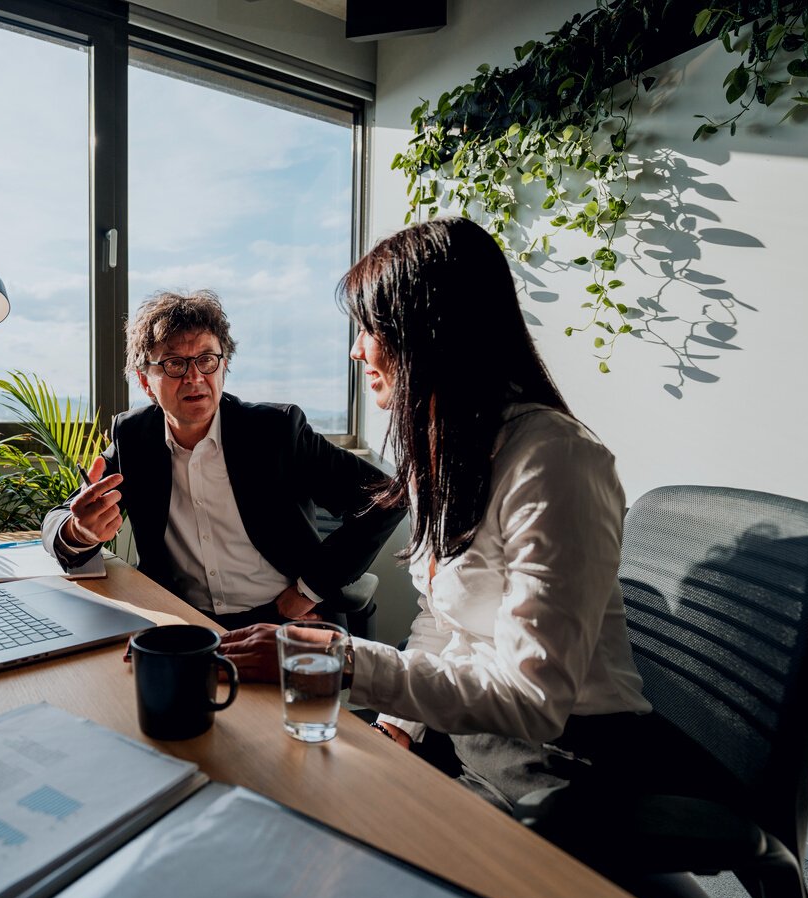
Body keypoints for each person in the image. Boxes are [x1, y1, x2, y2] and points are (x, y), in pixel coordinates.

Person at [218, 217, 653, 813]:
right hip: (463, 729)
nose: (356, 350)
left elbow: (535, 698)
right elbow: (443, 620)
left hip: (561, 753)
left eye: (369, 329)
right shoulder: (450, 454)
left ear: (428, 332)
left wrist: (339, 658)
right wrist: (400, 720)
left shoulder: (556, 461)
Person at [42, 290, 403, 629]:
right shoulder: (134, 437)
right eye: (173, 364)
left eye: (206, 360)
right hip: (183, 623)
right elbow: (60, 517)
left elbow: (387, 499)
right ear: (144, 380)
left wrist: (309, 590)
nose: (195, 377)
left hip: (283, 617)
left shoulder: (275, 431)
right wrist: (79, 530)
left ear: (223, 365)